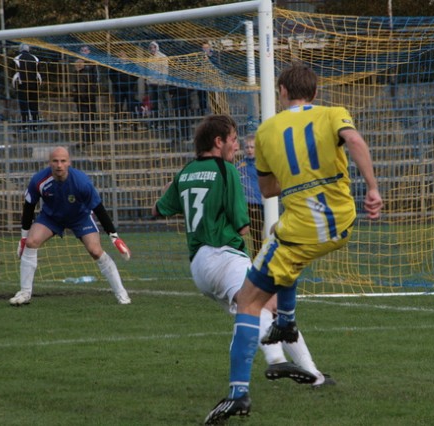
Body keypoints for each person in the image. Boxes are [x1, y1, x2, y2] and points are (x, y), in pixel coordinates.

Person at [204, 63, 384, 424]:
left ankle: (238, 393)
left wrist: (294, 174)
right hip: (341, 223)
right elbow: (355, 140)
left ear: (282, 92)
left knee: (247, 301)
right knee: (283, 250)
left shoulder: (268, 129)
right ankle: (285, 320)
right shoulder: (334, 113)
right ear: (315, 93)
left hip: (301, 227)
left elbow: (269, 189)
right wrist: (374, 188)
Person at [152, 114, 334, 398]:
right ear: (218, 141)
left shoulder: (185, 172)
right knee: (259, 307)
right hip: (225, 257)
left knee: (267, 309)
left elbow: (157, 209)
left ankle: (314, 375)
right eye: (234, 140)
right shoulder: (227, 172)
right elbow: (243, 226)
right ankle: (277, 361)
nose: (237, 146)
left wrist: (180, 184)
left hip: (200, 268)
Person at [9, 146, 132, 306]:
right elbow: (29, 206)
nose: (59, 165)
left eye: (63, 161)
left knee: (95, 251)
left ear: (69, 163)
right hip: (51, 218)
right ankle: (25, 293)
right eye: (55, 161)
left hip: (80, 217)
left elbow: (98, 209)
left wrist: (114, 237)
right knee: (32, 243)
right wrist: (24, 238)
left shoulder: (82, 182)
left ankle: (122, 294)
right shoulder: (38, 181)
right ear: (49, 163)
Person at [236, 134, 264, 256]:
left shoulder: (263, 165)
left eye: (252, 147)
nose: (249, 150)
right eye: (247, 147)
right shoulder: (239, 166)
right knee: (237, 234)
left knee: (257, 237)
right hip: (243, 205)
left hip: (258, 205)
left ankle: (258, 262)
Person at [12, 44, 43, 131]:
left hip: (22, 86)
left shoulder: (16, 58)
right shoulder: (35, 58)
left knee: (24, 106)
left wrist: (15, 87)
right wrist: (38, 85)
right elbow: (38, 74)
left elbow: (15, 75)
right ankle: (35, 125)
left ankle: (25, 125)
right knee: (34, 105)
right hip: (34, 85)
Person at [72, 59, 98, 146]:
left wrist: (79, 98)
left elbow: (82, 88)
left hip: (84, 100)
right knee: (88, 120)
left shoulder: (81, 74)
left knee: (85, 120)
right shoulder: (85, 73)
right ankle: (89, 139)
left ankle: (87, 140)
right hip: (89, 99)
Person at [146, 41, 170, 122]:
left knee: (162, 102)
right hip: (152, 84)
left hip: (161, 83)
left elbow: (165, 70)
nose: (152, 49)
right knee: (153, 103)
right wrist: (148, 81)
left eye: (154, 47)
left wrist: (163, 81)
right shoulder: (149, 58)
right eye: (151, 48)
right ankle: (155, 121)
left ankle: (165, 120)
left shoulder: (163, 57)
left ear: (157, 47)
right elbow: (148, 71)